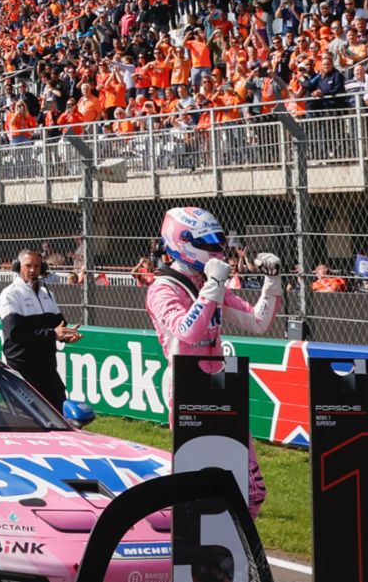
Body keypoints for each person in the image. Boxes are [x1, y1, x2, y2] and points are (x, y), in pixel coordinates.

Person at [144, 206, 283, 518]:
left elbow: (257, 322)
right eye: (207, 244)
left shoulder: (210, 281)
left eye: (217, 243)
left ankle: (240, 561)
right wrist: (213, 286)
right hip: (187, 391)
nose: (217, 251)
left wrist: (271, 281)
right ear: (181, 242)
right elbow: (188, 331)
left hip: (221, 387)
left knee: (252, 490)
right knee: (199, 488)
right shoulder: (162, 289)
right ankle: (188, 554)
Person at [0, 248, 80, 409]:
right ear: (17, 267)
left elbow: (59, 325)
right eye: (28, 265)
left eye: (36, 266)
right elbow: (16, 333)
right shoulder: (10, 294)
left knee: (59, 413)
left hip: (47, 367)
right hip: (22, 369)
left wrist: (66, 336)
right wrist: (53, 334)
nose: (32, 270)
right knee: (28, 421)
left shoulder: (47, 294)